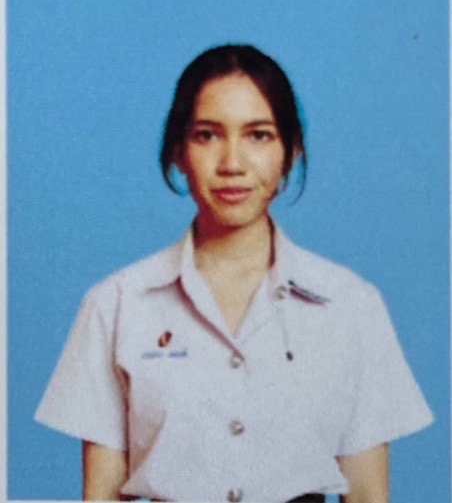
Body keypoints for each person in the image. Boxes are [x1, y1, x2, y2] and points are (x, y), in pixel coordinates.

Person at [35, 44, 433, 503]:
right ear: (178, 152)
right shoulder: (116, 304)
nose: (232, 164)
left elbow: (366, 494)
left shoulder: (350, 305)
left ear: (290, 152)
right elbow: (101, 494)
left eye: (258, 135)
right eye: (207, 135)